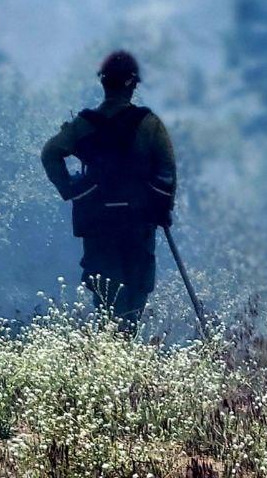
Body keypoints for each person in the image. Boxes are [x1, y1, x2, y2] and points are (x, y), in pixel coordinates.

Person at [41, 50, 176, 332]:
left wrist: (72, 190)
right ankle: (124, 350)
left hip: (98, 223)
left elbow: (51, 153)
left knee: (106, 296)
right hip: (138, 224)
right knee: (135, 293)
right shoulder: (149, 125)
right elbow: (167, 172)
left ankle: (111, 349)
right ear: (132, 84)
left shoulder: (84, 125)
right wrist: (161, 209)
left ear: (104, 83)